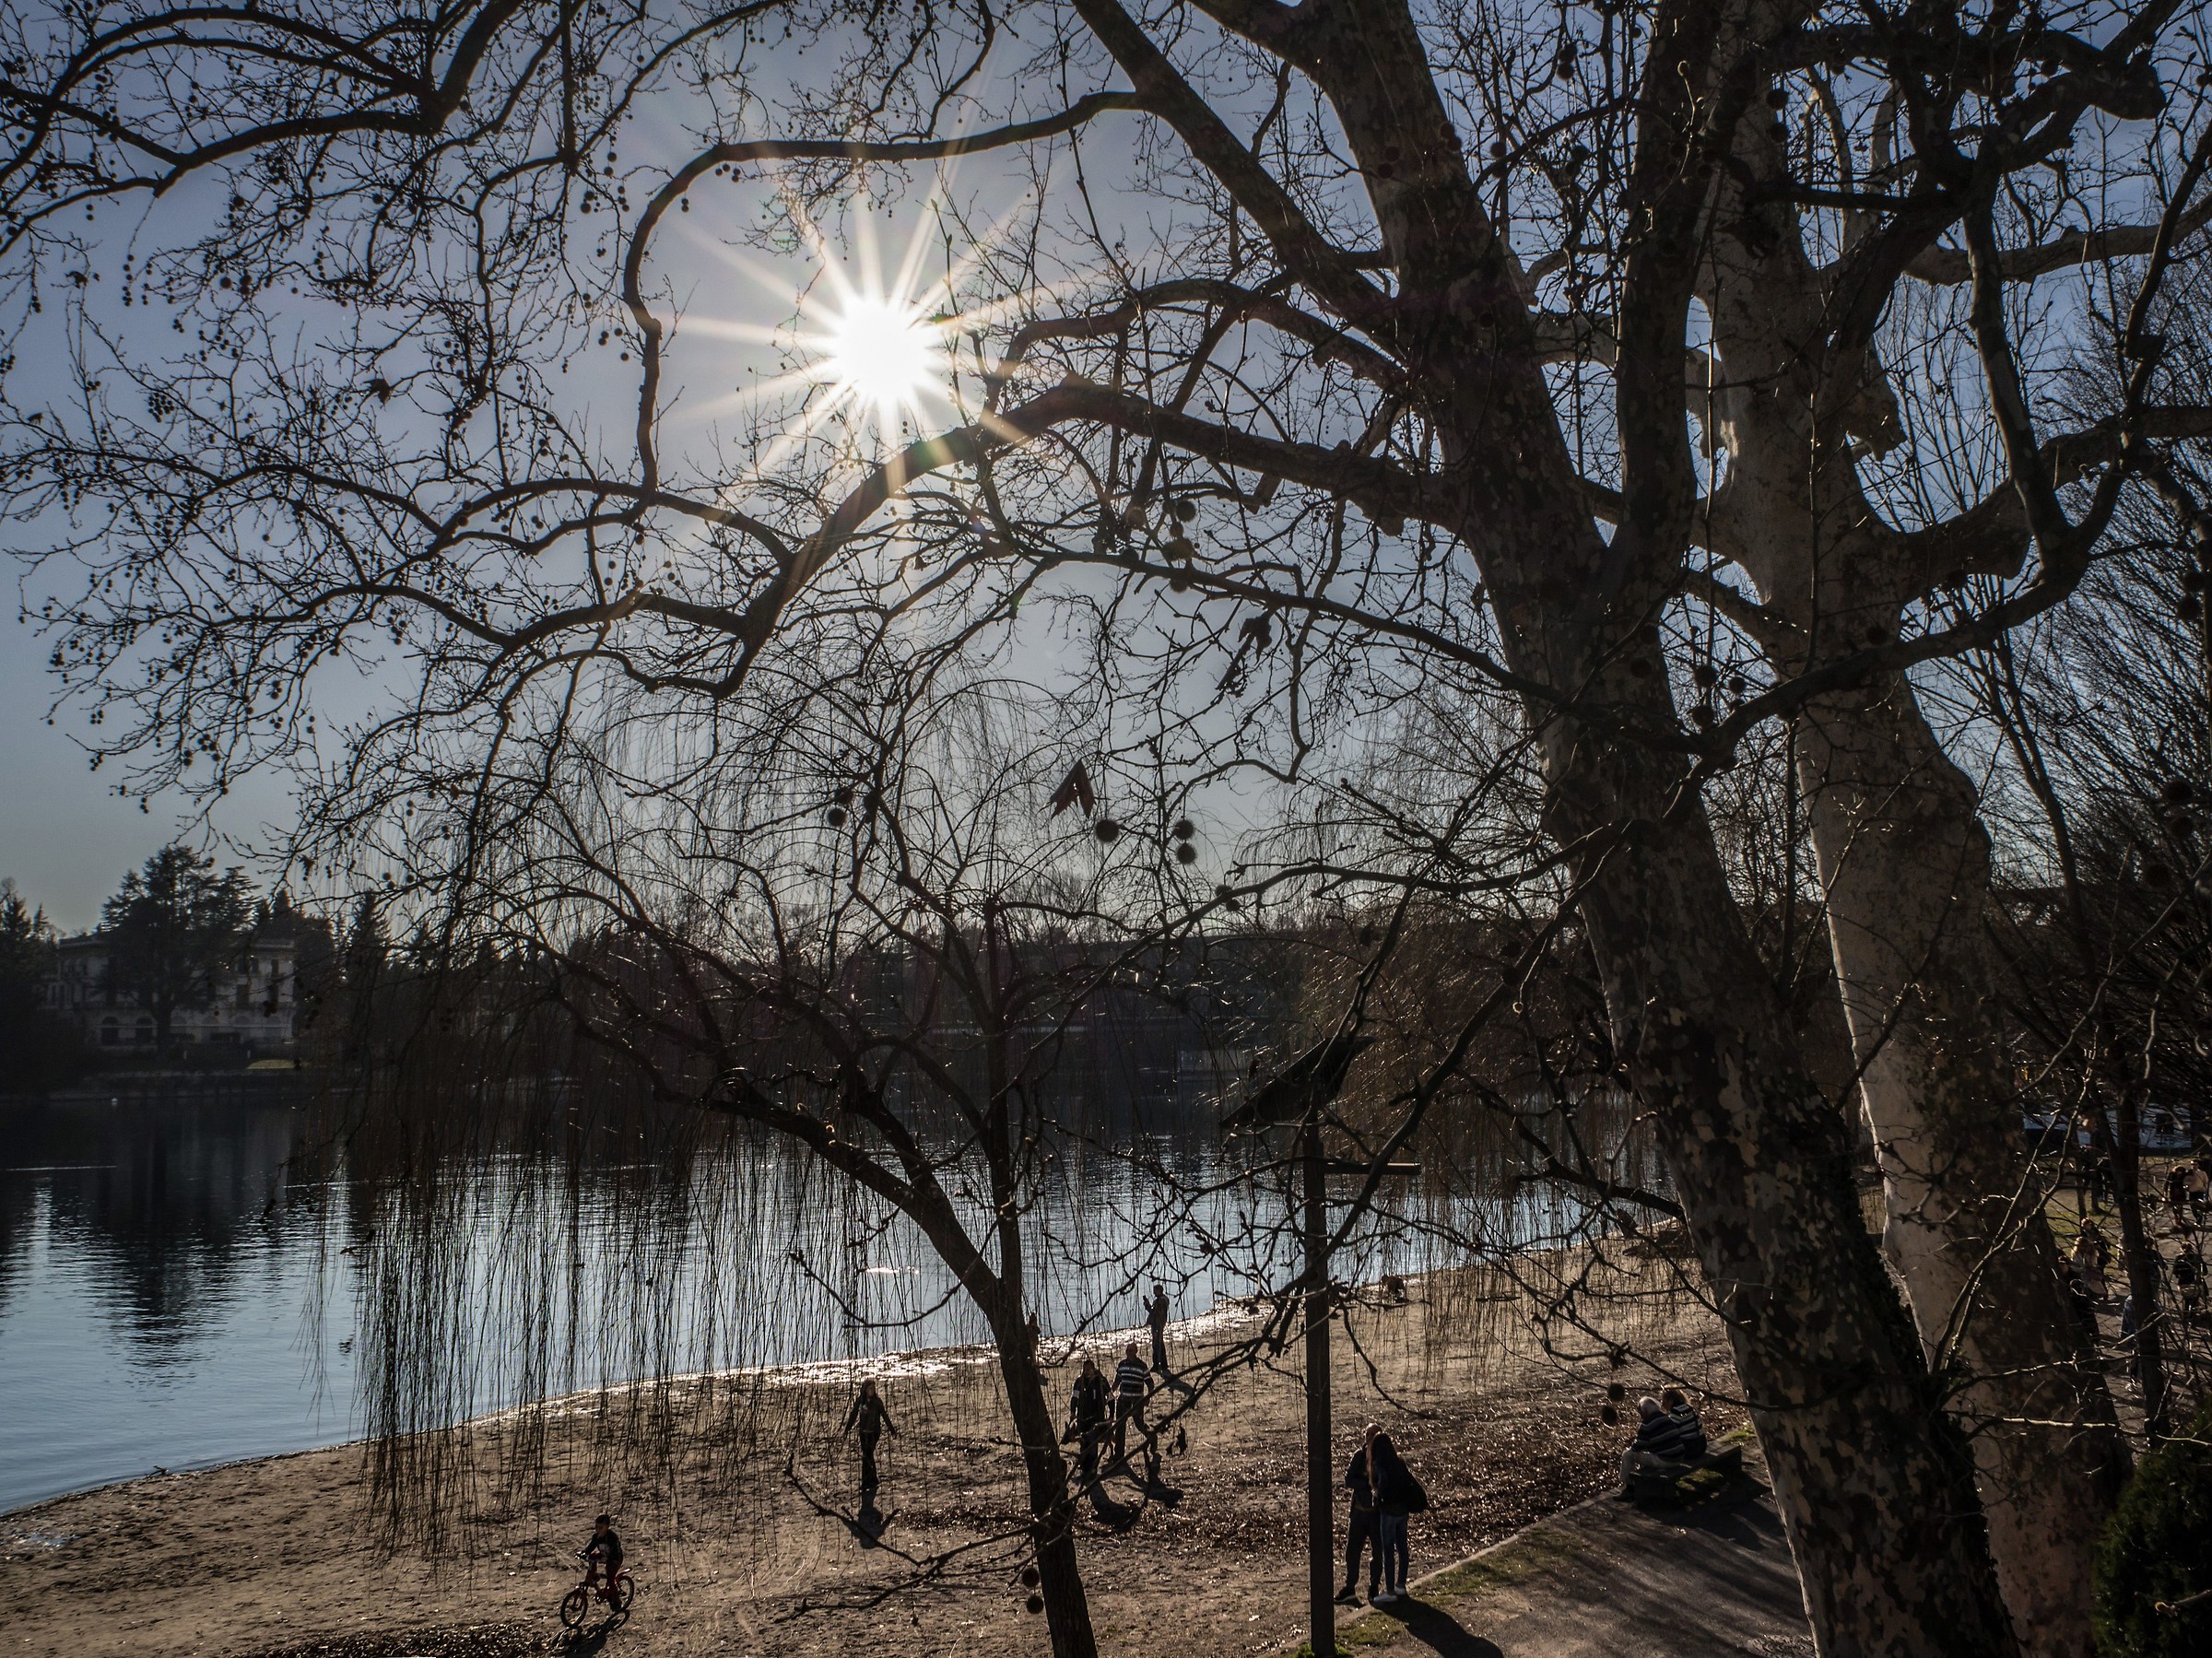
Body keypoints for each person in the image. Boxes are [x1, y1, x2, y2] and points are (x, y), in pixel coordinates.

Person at [1370, 1430, 1422, 1604]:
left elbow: (1382, 1485)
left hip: (1389, 1512)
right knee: (1402, 1548)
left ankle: (1390, 1590)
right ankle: (1401, 1585)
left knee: (1388, 1550)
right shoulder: (1398, 1462)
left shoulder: (1379, 1464)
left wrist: (1378, 1496)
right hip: (1402, 1511)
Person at [1618, 1389, 1706, 1488]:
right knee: (1649, 1454)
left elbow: (1638, 1447)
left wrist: (1633, 1447)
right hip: (1681, 1455)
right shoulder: (1667, 1418)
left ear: (1645, 1411)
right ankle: (1641, 1482)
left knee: (1627, 1455)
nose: (1640, 1416)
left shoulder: (1647, 1424)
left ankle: (1629, 1486)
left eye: (1641, 1413)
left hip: (1671, 1459)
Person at [1336, 1423, 1382, 1605]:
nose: (1369, 1438)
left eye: (1373, 1435)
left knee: (1378, 1552)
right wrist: (1367, 1484)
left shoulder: (1383, 1458)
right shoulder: (1359, 1456)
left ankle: (1374, 1586)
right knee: (1352, 1551)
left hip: (1376, 1515)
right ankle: (1350, 1587)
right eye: (1367, 1434)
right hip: (1359, 1512)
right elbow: (1349, 1480)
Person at [841, 1377, 897, 1499]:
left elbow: (885, 1416)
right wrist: (847, 1429)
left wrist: (892, 1430)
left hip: (874, 1432)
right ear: (865, 1389)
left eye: (873, 1388)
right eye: (870, 1388)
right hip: (863, 1432)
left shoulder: (877, 1402)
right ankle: (871, 1479)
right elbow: (853, 1415)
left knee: (868, 1454)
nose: (872, 1390)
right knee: (867, 1455)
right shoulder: (860, 1402)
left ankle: (868, 1480)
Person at [1067, 1355, 1111, 1477]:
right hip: (1082, 1418)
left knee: (1093, 1444)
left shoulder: (1101, 1382)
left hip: (1096, 1418)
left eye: (1089, 1369)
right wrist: (1072, 1411)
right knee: (1083, 1442)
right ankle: (1084, 1467)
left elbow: (1110, 1397)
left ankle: (1093, 1468)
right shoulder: (1079, 1382)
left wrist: (1111, 1414)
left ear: (1094, 1369)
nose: (1087, 1372)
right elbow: (1074, 1397)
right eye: (1085, 1370)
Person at [1112, 1342, 1150, 1464]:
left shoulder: (1142, 1366)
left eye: (1131, 1351)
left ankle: (1152, 1436)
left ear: (1136, 1352)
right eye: (1127, 1351)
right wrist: (1110, 1392)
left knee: (1139, 1424)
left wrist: (1148, 1397)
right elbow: (1117, 1381)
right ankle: (1119, 1455)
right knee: (1120, 1427)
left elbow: (1150, 1383)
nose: (1129, 1353)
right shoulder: (1122, 1365)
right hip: (1123, 1399)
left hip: (1137, 1400)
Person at [577, 1512, 624, 1603]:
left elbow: (616, 1550)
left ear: (607, 1527)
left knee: (610, 1579)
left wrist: (612, 1560)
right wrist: (584, 1553)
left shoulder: (612, 1537)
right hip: (604, 1555)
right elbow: (591, 1547)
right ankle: (593, 1575)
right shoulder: (596, 1537)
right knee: (592, 1557)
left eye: (601, 1528)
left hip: (615, 1558)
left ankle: (616, 1601)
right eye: (596, 1527)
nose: (598, 1530)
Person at [1146, 1283, 1173, 1374]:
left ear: (1159, 1290)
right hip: (1158, 1323)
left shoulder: (1161, 1301)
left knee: (1156, 1345)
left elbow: (1154, 1312)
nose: (1154, 1293)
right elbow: (1153, 1311)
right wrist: (1148, 1306)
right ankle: (1163, 1364)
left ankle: (1156, 1365)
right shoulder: (1160, 1300)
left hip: (1158, 1324)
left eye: (1155, 1291)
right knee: (1159, 1344)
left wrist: (1148, 1306)